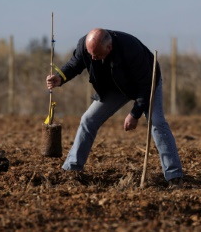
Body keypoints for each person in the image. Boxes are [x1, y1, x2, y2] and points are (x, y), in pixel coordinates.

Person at [46, 28, 183, 188]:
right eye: (90, 54)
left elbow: (146, 86)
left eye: (96, 55)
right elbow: (75, 64)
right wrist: (60, 77)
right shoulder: (86, 46)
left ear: (109, 47)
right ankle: (72, 169)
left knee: (157, 122)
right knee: (88, 119)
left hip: (145, 85)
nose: (93, 58)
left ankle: (174, 175)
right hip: (115, 86)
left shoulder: (131, 49)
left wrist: (134, 114)